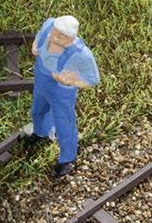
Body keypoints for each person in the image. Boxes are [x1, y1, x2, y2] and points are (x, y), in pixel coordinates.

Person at [25, 14, 100, 179]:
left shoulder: (81, 54)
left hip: (61, 90)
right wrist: (35, 45)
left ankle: (67, 158)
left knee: (64, 122)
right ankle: (41, 133)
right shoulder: (49, 25)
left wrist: (70, 80)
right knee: (38, 109)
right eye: (56, 32)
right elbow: (40, 34)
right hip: (42, 79)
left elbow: (92, 79)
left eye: (62, 36)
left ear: (71, 38)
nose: (55, 37)